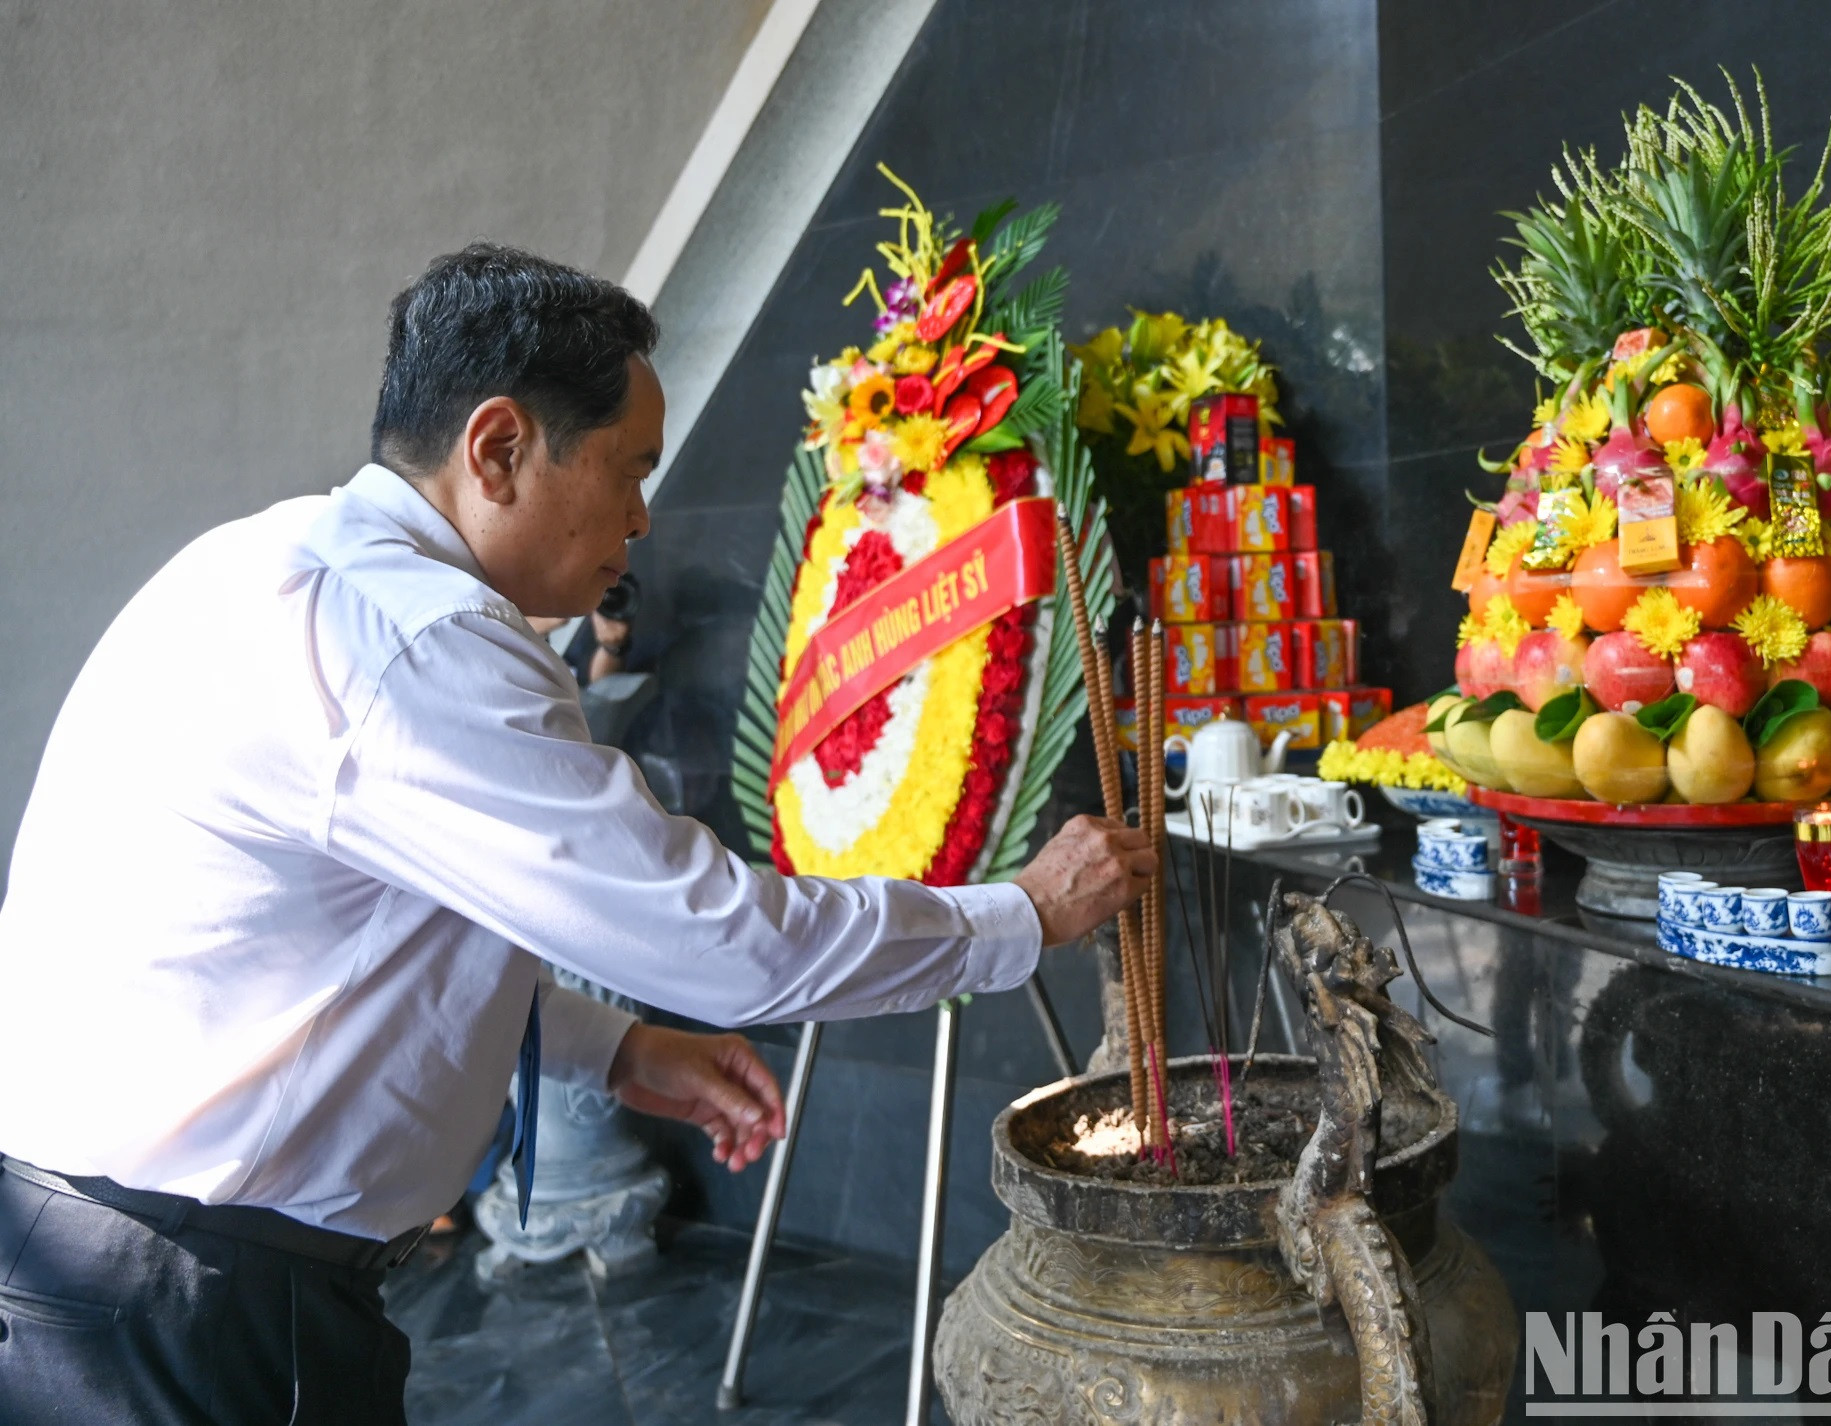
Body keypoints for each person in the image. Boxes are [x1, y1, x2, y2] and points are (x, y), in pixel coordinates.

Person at [0, 243, 1152, 1424]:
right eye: (630, 467)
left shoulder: (263, 558)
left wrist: (610, 1047)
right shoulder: (414, 637)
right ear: (499, 448)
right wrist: (1021, 914)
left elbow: (348, 937)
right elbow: (719, 940)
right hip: (185, 1305)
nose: (645, 517)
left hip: (111, 1259)